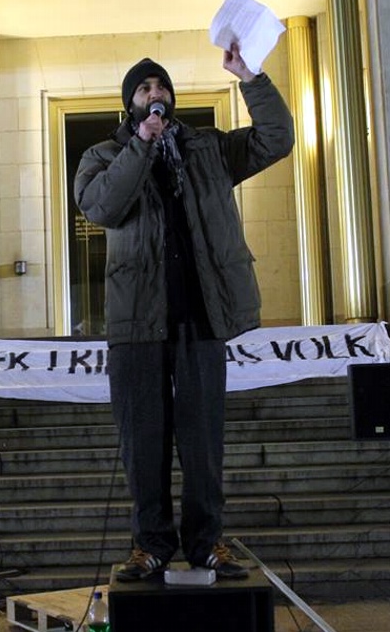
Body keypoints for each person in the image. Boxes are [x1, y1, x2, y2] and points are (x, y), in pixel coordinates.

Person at [74, 46, 295, 581]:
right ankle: (150, 546)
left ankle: (206, 544)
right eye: (145, 88)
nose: (156, 94)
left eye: (162, 87)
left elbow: (276, 139)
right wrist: (142, 148)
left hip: (201, 317)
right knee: (142, 441)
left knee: (203, 442)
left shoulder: (207, 150)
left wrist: (251, 78)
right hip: (136, 326)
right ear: (130, 105)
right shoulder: (103, 156)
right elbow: (102, 206)